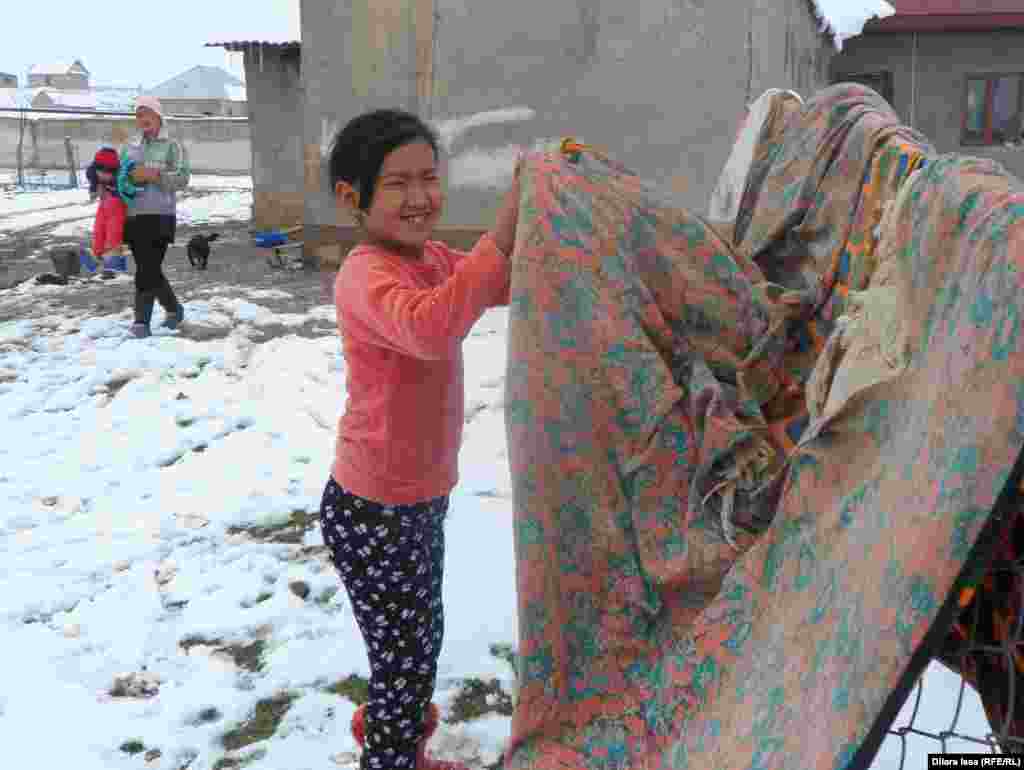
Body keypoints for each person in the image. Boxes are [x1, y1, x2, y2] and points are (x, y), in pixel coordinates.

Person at [319, 108, 519, 770]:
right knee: (403, 658)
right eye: (397, 183)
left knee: (415, 646)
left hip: (418, 500)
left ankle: (400, 745)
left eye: (429, 178)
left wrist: (547, 225)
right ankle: (391, 758)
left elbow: (487, 284)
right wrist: (502, 232)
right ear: (352, 196)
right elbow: (433, 327)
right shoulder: (366, 275)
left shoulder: (432, 259)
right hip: (372, 510)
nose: (420, 197)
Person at [116, 95, 190, 338]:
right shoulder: (129, 147)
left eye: (147, 113)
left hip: (160, 214)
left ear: (158, 116)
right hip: (134, 214)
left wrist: (155, 176)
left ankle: (141, 322)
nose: (143, 119)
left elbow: (183, 178)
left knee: (147, 268)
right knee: (148, 268)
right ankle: (174, 309)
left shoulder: (172, 146)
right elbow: (120, 177)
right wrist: (127, 178)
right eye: (139, 115)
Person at [88, 146, 128, 279]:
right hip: (105, 203)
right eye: (99, 172)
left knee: (113, 235)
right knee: (98, 230)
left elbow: (129, 194)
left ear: (113, 171)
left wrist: (115, 193)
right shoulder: (93, 171)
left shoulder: (120, 178)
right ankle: (96, 258)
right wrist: (93, 188)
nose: (102, 176)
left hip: (118, 205)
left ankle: (113, 267)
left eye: (106, 174)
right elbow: (92, 178)